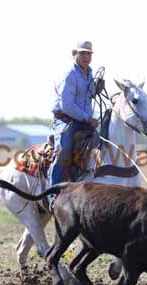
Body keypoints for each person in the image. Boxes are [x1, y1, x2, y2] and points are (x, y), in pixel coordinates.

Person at [48, 41, 100, 207]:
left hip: (83, 120)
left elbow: (88, 95)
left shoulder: (89, 73)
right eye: (82, 53)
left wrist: (97, 89)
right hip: (65, 120)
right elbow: (67, 105)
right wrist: (87, 118)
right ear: (74, 54)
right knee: (64, 151)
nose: (86, 57)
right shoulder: (70, 75)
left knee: (100, 142)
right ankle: (52, 196)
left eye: (89, 54)